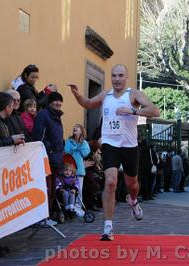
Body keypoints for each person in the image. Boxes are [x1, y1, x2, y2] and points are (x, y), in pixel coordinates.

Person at [69, 64, 160, 241]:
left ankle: (133, 200)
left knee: (132, 184)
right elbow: (87, 104)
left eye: (120, 75)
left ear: (126, 77)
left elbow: (155, 110)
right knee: (110, 181)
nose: (117, 79)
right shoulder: (105, 95)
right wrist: (77, 94)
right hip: (110, 143)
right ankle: (108, 227)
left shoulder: (133, 94)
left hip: (129, 146)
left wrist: (133, 110)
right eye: (114, 76)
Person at [32, 92, 64, 223]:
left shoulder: (56, 115)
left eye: (60, 101)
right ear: (50, 102)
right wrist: (49, 149)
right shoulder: (44, 115)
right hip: (47, 158)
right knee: (46, 188)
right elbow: (39, 137)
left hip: (56, 158)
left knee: (52, 190)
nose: (58, 103)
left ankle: (48, 216)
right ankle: (42, 218)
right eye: (55, 101)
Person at [64, 124, 90, 202]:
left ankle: (78, 206)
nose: (75, 128)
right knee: (68, 189)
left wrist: (79, 145)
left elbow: (85, 153)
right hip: (69, 168)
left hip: (79, 169)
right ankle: (69, 206)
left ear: (81, 131)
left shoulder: (84, 143)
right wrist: (75, 147)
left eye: (77, 127)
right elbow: (66, 151)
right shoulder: (69, 141)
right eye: (74, 127)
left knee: (79, 190)